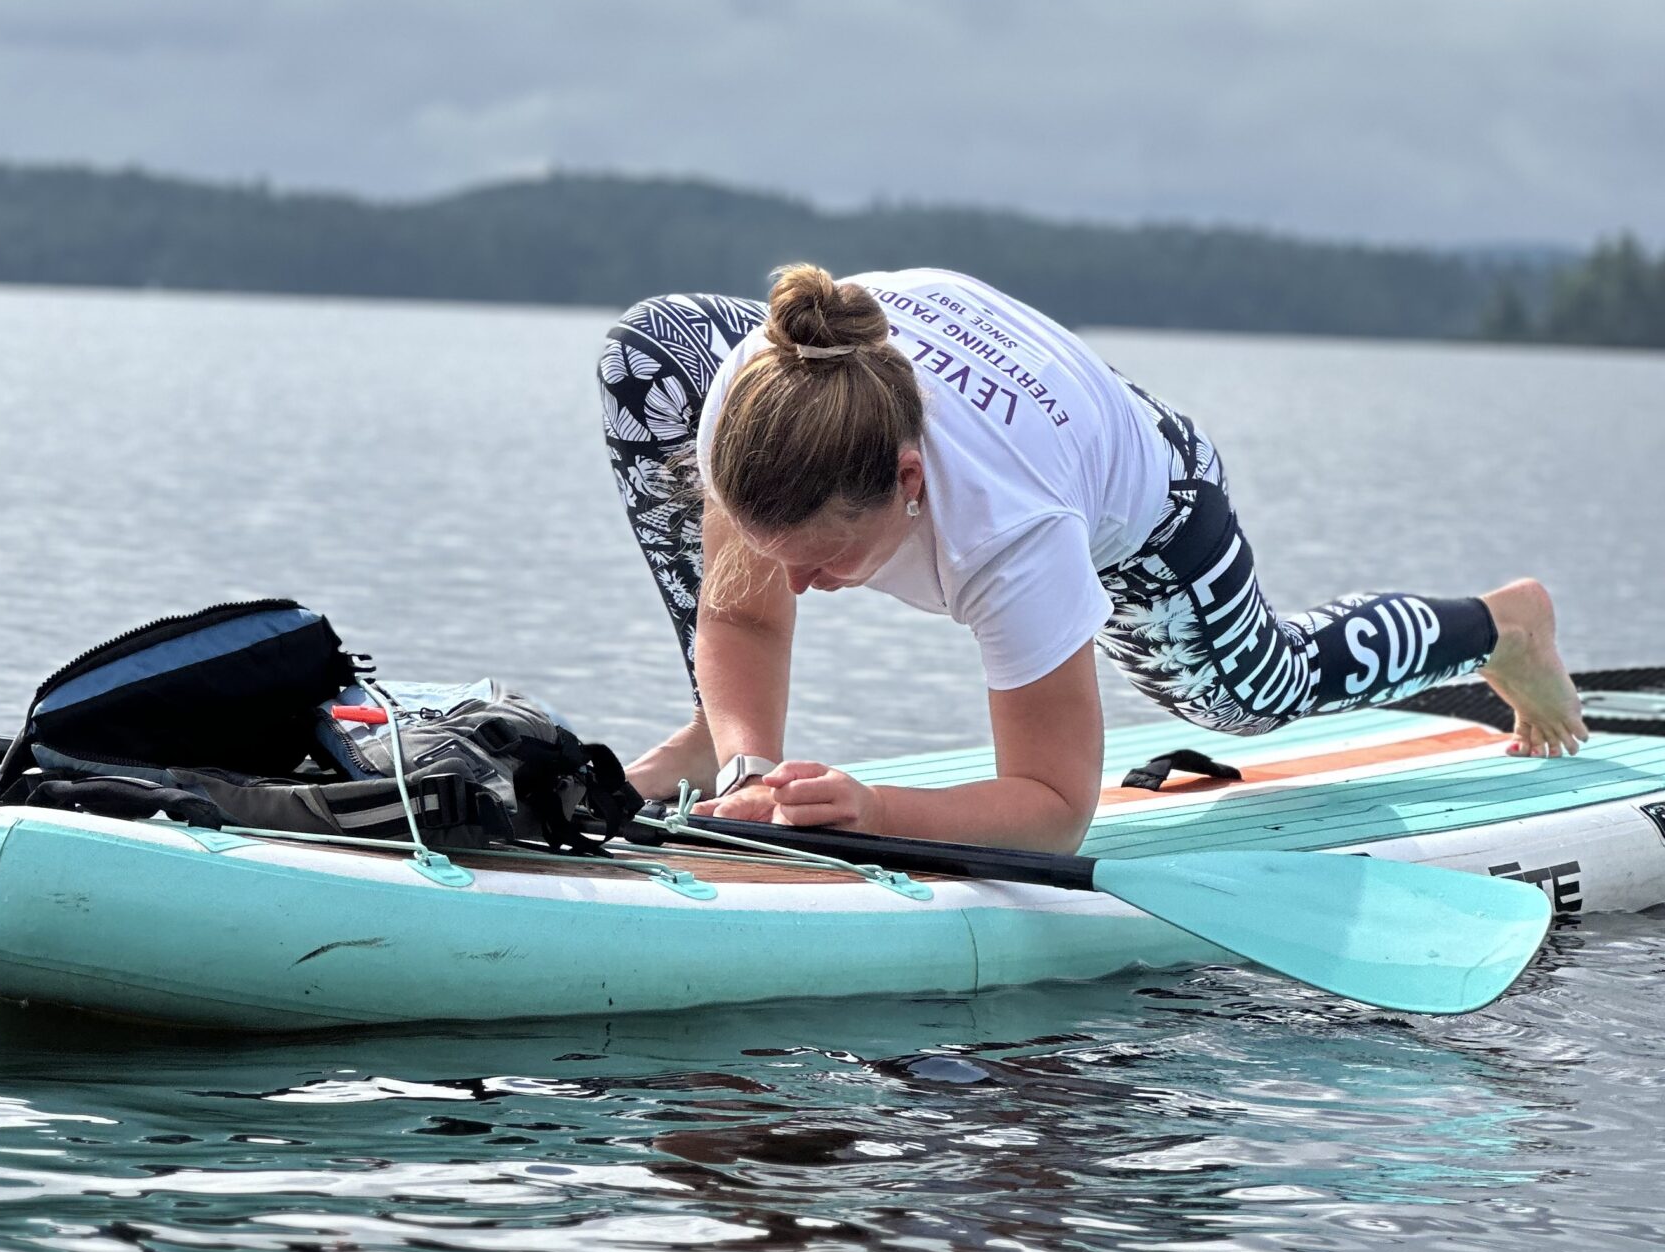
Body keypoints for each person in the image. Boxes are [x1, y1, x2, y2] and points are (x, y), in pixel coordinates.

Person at [598, 263, 1587, 851]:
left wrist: (873, 809)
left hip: (1147, 490)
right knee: (644, 351)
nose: (801, 586)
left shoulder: (1009, 526)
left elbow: (1056, 807)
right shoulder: (751, 393)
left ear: (907, 484)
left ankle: (1501, 624)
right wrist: (752, 764)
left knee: (1249, 693)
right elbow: (740, 608)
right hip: (930, 381)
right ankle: (714, 739)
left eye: (822, 562)